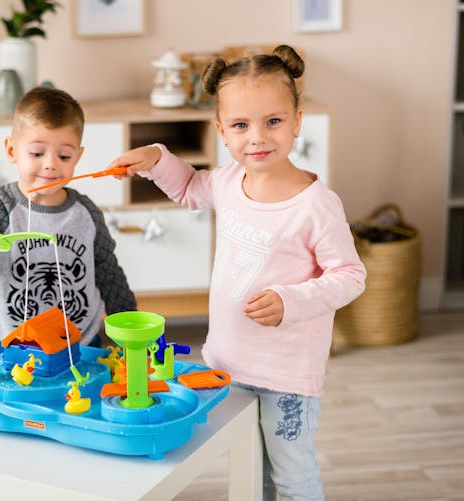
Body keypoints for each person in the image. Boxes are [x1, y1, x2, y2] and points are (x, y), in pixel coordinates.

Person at [108, 45, 366, 500]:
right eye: (241, 125)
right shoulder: (228, 182)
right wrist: (154, 157)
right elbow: (189, 187)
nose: (257, 138)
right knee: (250, 469)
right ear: (222, 131)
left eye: (274, 121)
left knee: (289, 473)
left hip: (285, 374)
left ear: (297, 120)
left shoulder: (315, 205)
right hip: (229, 362)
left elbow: (349, 275)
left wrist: (291, 300)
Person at [0, 86, 136, 348]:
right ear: (11, 150)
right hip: (14, 348)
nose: (50, 164)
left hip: (83, 344)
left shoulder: (87, 213)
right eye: (37, 153)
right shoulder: (0, 208)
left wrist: (130, 329)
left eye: (64, 156)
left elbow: (109, 273)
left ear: (78, 157)